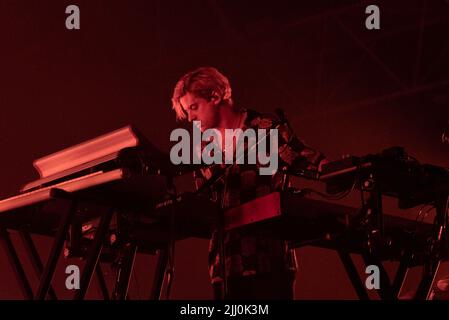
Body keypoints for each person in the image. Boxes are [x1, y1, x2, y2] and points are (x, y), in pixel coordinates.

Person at [171, 66, 328, 299]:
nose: (191, 118)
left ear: (215, 95)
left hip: (270, 260)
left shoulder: (264, 128)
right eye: (187, 111)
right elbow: (206, 205)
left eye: (194, 107)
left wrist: (334, 168)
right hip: (224, 267)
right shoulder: (202, 148)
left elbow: (307, 159)